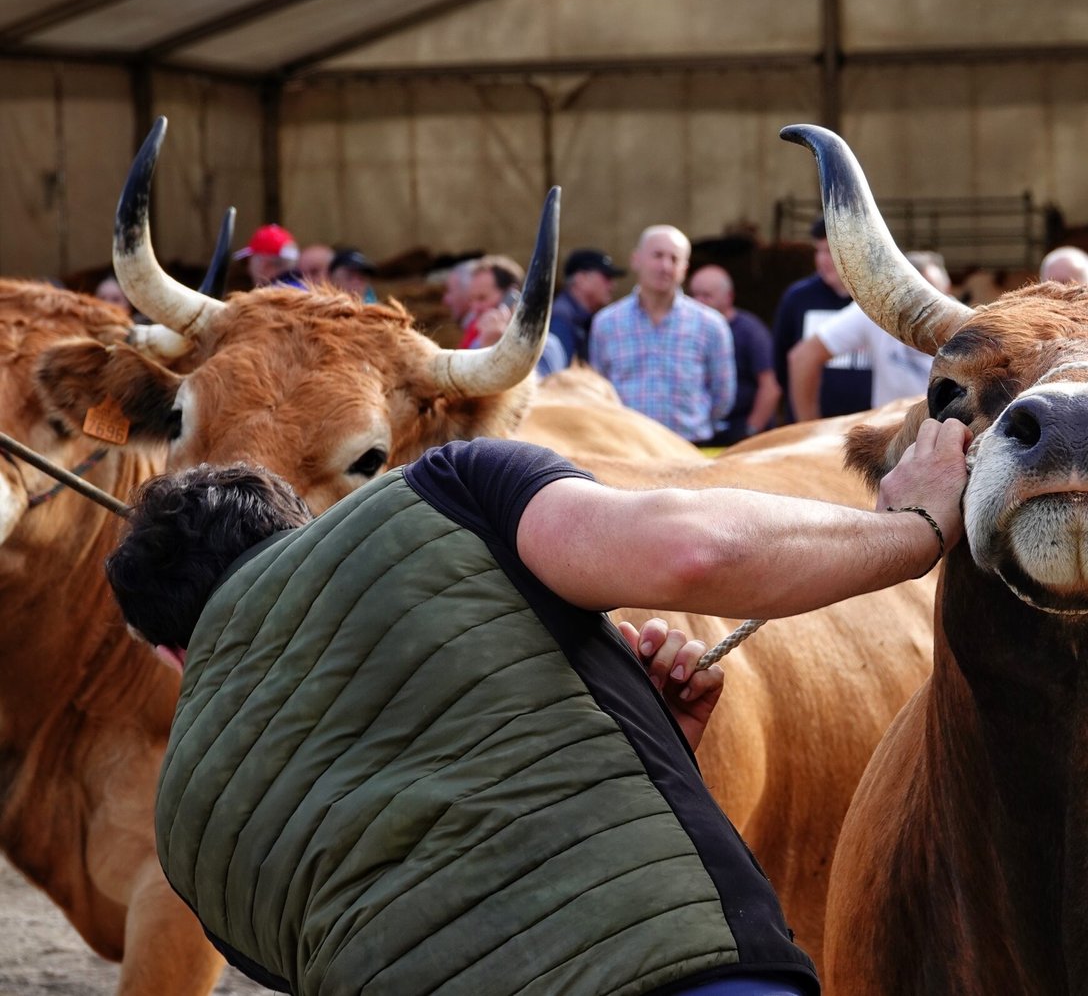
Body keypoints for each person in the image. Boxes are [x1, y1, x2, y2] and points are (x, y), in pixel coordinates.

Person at [103, 418, 971, 996]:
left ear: (172, 652)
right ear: (305, 531)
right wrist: (916, 527)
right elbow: (693, 550)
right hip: (682, 976)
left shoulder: (184, 830)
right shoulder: (445, 489)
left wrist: (644, 739)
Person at [589, 225, 735, 443]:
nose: (665, 266)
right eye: (657, 255)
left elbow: (723, 396)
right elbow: (598, 390)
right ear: (636, 260)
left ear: (685, 268)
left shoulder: (711, 325)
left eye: (674, 259)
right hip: (626, 448)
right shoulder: (607, 323)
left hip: (689, 451)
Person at [788, 252, 956, 421]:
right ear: (896, 295)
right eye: (910, 296)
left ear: (949, 291)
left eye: (932, 295)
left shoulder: (968, 325)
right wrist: (810, 429)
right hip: (891, 433)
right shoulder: (881, 311)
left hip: (947, 431)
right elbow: (803, 357)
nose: (922, 307)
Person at [771, 217, 872, 421]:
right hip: (812, 428)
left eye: (830, 251)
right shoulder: (798, 297)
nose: (822, 260)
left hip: (870, 426)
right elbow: (781, 362)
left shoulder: (878, 298)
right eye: (819, 251)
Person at [688, 264, 781, 445]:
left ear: (729, 297)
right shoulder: (687, 331)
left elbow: (770, 387)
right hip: (701, 433)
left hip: (740, 433)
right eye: (694, 295)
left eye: (707, 296)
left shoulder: (751, 332)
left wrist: (750, 431)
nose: (699, 302)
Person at [553, 248, 625, 364]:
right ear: (581, 278)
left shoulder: (580, 317)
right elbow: (559, 373)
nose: (612, 286)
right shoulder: (561, 317)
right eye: (607, 278)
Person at [235, 224, 304, 290]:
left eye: (248, 262)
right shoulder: (307, 293)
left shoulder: (265, 300)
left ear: (263, 264)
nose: (248, 269)